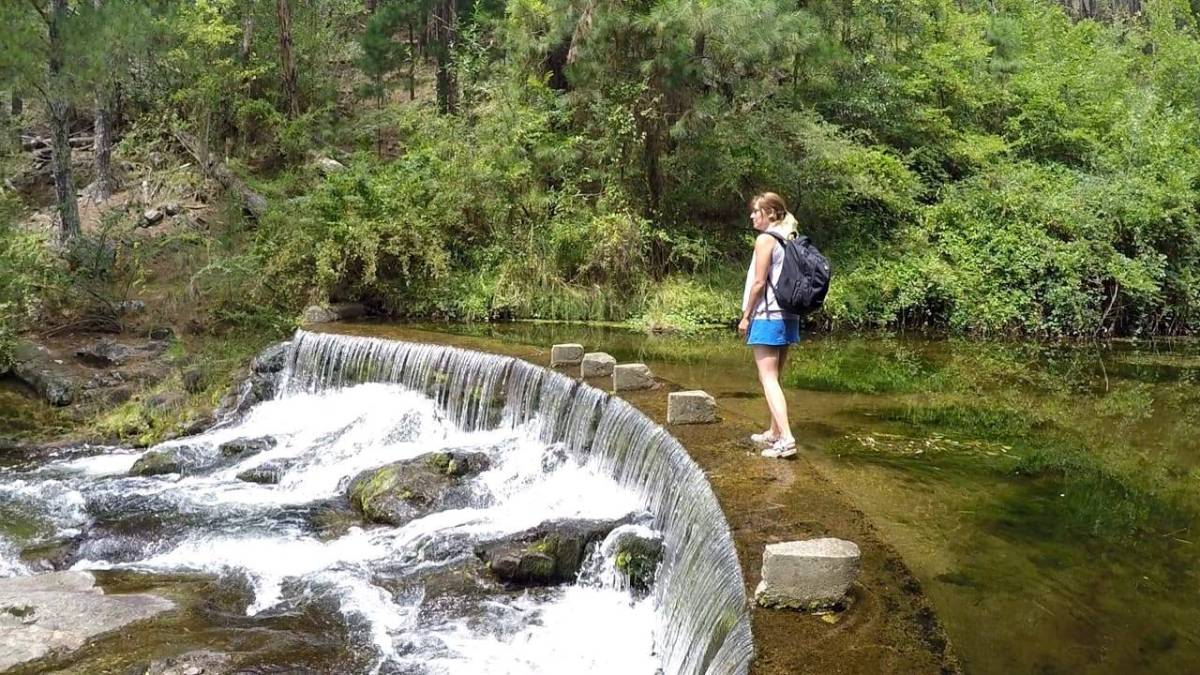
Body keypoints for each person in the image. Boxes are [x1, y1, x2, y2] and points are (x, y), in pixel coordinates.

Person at [738, 192, 800, 459]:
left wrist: (746, 316)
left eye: (756, 211)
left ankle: (786, 439)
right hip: (788, 315)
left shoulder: (765, 240)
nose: (752, 216)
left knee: (767, 377)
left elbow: (759, 283)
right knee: (775, 376)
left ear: (770, 213)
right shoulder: (789, 238)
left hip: (767, 315)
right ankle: (775, 431)